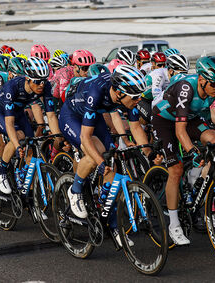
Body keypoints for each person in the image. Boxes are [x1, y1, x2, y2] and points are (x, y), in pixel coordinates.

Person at [152, 56, 215, 245]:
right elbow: (179, 131)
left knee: (214, 139)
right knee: (175, 170)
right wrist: (192, 150)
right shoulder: (186, 89)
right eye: (214, 84)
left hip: (190, 117)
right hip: (164, 119)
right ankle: (174, 225)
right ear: (201, 80)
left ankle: (196, 177)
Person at [60, 65, 148, 245]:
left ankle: (113, 224)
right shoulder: (97, 92)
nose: (138, 100)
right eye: (135, 97)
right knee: (95, 155)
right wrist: (100, 162)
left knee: (111, 161)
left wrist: (149, 152)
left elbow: (136, 127)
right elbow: (85, 137)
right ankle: (75, 190)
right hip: (72, 116)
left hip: (95, 114)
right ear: (119, 93)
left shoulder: (127, 96)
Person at [0, 57, 60, 194]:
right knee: (19, 136)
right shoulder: (12, 87)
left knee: (31, 146)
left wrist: (58, 138)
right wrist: (17, 145)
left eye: (44, 81)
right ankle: (1, 171)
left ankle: (30, 197)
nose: (41, 85)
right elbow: (9, 123)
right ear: (27, 78)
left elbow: (50, 115)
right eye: (38, 81)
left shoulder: (44, 87)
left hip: (18, 112)